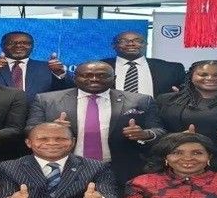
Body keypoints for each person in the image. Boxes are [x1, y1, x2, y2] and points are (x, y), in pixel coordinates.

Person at [26, 60, 166, 184]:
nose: (94, 79)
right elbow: (29, 129)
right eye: (86, 75)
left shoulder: (140, 100)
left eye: (102, 75)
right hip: (63, 168)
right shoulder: (46, 100)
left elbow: (159, 131)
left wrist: (145, 134)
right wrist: (50, 129)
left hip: (119, 169)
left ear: (114, 78)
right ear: (75, 78)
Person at [0, 31, 73, 101]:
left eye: (25, 43)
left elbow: (69, 90)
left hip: (37, 117)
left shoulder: (48, 67)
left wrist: (60, 74)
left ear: (32, 47)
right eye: (11, 43)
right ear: (2, 46)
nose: (18, 46)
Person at [102, 30, 185, 97]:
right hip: (111, 116)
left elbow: (187, 95)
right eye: (123, 41)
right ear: (114, 45)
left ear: (145, 45)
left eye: (138, 41)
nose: (131, 44)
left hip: (157, 116)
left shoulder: (172, 69)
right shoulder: (100, 67)